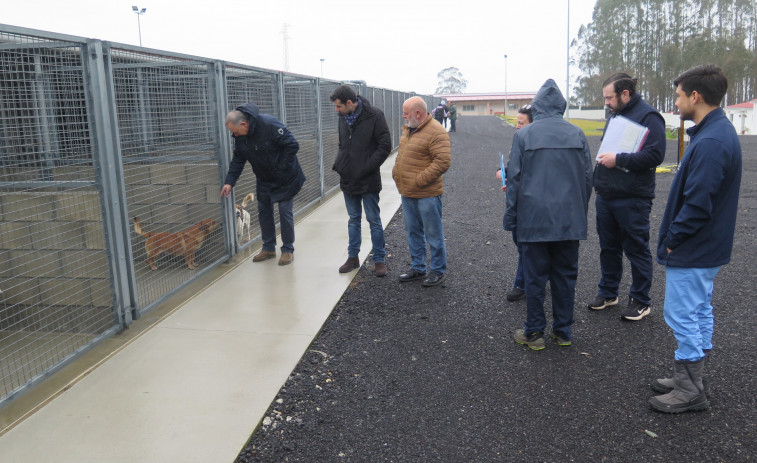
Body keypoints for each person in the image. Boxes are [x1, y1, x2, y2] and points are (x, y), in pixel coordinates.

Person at [649, 65, 741, 413]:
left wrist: (673, 238)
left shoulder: (712, 141)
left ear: (695, 96)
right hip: (707, 246)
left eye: (678, 95)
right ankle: (693, 377)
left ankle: (690, 389)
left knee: (681, 313)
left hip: (695, 247)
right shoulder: (714, 132)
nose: (675, 102)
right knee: (700, 308)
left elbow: (698, 204)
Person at [504, 79, 592, 350]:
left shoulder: (524, 135)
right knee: (565, 277)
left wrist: (511, 217)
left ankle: (534, 332)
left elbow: (514, 181)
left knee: (535, 278)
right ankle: (563, 331)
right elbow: (588, 179)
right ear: (561, 106)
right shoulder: (577, 135)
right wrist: (579, 212)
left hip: (534, 221)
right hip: (569, 221)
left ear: (538, 106)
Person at [588, 73, 666, 321]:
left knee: (636, 248)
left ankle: (641, 300)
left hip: (633, 197)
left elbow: (656, 155)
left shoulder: (649, 117)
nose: (606, 103)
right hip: (607, 194)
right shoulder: (615, 115)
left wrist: (619, 160)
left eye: (609, 98)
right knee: (608, 247)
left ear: (625, 94)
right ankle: (609, 292)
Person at [221, 102, 305, 266]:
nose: (235, 136)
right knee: (263, 211)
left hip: (285, 176)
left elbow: (292, 145)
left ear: (244, 124)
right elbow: (238, 159)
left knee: (284, 211)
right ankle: (268, 248)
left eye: (235, 132)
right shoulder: (240, 137)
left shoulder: (269, 125)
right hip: (264, 178)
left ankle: (288, 250)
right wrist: (229, 182)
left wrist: (280, 169)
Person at [329, 85, 392, 277]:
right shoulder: (342, 118)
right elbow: (343, 145)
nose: (336, 110)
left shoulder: (375, 116)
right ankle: (352, 258)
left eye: (338, 106)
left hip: (368, 178)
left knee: (373, 219)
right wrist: (339, 163)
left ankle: (379, 260)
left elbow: (385, 146)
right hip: (348, 178)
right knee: (353, 219)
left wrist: (366, 167)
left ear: (349, 103)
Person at [393, 96, 451, 287]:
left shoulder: (436, 131)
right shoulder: (409, 129)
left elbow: (442, 162)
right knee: (413, 232)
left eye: (406, 113)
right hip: (408, 192)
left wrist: (419, 180)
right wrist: (396, 173)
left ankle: (437, 270)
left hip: (427, 194)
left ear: (418, 113)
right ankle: (418, 267)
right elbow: (402, 155)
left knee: (433, 233)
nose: (403, 116)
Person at [496, 104, 532, 302]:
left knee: (525, 246)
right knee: (521, 244)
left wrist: (512, 183)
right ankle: (534, 276)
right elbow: (515, 167)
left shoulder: (536, 146)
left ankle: (521, 283)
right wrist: (506, 175)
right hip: (517, 202)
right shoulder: (519, 140)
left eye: (521, 123)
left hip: (530, 205)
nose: (517, 126)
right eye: (517, 122)